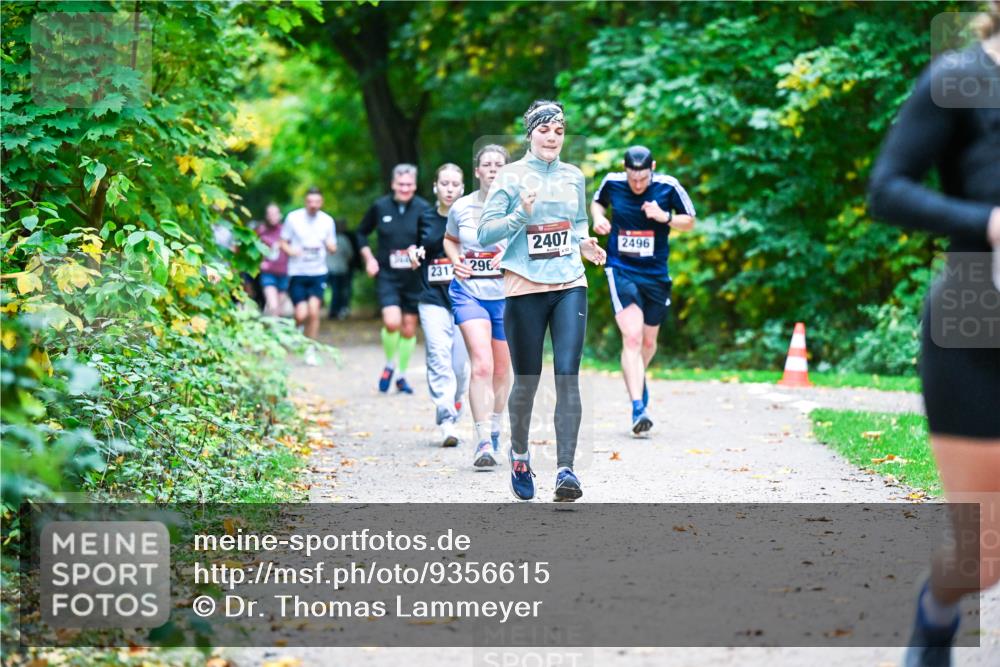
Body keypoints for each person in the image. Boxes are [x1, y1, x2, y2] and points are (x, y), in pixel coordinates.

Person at [867, 6, 1000, 666]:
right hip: (977, 326)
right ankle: (937, 613)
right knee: (983, 556)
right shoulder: (958, 80)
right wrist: (989, 221)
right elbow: (886, 189)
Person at [478, 100, 607, 502]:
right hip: (524, 285)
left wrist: (584, 244)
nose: (553, 137)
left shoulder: (574, 176)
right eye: (545, 130)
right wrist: (521, 213)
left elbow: (578, 223)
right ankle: (519, 455)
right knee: (527, 381)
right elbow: (485, 234)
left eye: (559, 130)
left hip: (569, 282)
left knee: (567, 374)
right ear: (530, 133)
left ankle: (566, 470)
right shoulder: (510, 176)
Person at [591, 146, 696, 435]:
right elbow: (597, 202)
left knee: (648, 344)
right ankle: (638, 407)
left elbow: (690, 220)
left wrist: (665, 217)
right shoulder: (612, 182)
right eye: (632, 178)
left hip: (656, 275)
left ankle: (637, 378)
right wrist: (599, 218)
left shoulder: (668, 186)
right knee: (633, 336)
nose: (637, 185)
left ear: (653, 168)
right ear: (625, 170)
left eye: (643, 179)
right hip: (621, 268)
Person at [444, 144, 512, 468]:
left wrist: (511, 255)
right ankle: (483, 439)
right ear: (477, 171)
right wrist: (456, 261)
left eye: (500, 164)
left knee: (502, 370)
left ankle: (497, 424)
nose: (494, 168)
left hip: (509, 295)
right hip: (469, 292)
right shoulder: (461, 207)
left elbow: (531, 245)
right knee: (482, 364)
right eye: (487, 164)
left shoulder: (519, 208)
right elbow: (450, 239)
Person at [357, 164, 431, 394]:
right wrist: (369, 259)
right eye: (401, 184)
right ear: (393, 184)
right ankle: (389, 363)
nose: (405, 188)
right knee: (392, 322)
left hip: (413, 276)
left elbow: (431, 239)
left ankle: (401, 374)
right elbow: (360, 233)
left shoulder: (424, 208)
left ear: (415, 185)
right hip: (387, 274)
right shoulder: (380, 207)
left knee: (409, 329)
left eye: (409, 184)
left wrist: (419, 251)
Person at [413, 164, 471, 447]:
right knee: (437, 355)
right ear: (435, 187)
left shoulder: (471, 216)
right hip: (432, 297)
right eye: (444, 184)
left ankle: (456, 400)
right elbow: (415, 248)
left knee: (459, 366)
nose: (449, 189)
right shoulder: (423, 217)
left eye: (455, 184)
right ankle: (446, 419)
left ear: (462, 188)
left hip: (465, 297)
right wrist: (415, 254)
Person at [280, 187, 337, 365]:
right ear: (305, 202)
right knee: (300, 314)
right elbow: (283, 242)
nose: (313, 205)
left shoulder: (327, 221)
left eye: (317, 202)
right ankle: (299, 329)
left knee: (314, 312)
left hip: (318, 272)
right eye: (310, 202)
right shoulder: (293, 218)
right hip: (297, 272)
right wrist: (291, 251)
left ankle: (310, 348)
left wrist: (329, 245)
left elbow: (333, 247)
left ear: (321, 203)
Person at [257, 203, 290, 318]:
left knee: (278, 310)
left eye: (275, 213)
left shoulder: (285, 230)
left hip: (283, 273)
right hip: (268, 273)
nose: (273, 216)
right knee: (273, 305)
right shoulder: (261, 231)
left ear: (280, 215)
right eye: (270, 214)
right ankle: (274, 334)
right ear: (266, 215)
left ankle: (269, 329)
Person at [327, 217, 356, 320]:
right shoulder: (344, 240)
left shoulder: (328, 239)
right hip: (341, 269)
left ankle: (335, 311)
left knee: (336, 291)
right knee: (342, 291)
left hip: (331, 269)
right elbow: (350, 255)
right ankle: (340, 310)